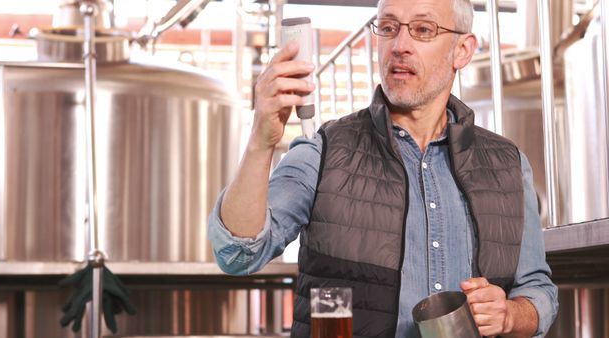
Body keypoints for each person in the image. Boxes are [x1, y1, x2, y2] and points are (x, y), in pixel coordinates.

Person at [208, 0, 559, 336]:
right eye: (389, 28)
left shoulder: (508, 164)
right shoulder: (324, 151)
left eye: (422, 29)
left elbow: (538, 290)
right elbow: (238, 254)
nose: (399, 45)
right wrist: (260, 141)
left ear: (462, 50)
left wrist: (511, 315)